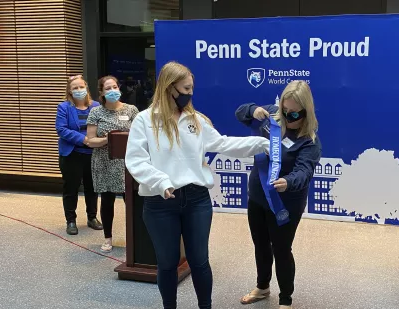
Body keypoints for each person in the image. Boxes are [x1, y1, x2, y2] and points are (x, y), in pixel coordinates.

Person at [125, 61, 270, 309]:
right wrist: (161, 181)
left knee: (200, 261)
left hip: (197, 200)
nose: (190, 94)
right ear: (169, 88)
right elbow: (136, 161)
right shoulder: (144, 120)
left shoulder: (196, 120)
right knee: (168, 263)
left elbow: (223, 144)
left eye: (192, 88)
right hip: (161, 202)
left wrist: (263, 144)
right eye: (186, 88)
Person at [235, 80, 322, 309]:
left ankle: (285, 299)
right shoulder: (272, 116)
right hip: (257, 196)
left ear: (306, 112)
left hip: (285, 203)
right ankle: (262, 287)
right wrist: (252, 109)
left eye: (294, 114)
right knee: (260, 244)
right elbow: (240, 113)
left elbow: (304, 171)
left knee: (282, 249)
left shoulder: (309, 141)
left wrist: (288, 182)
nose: (287, 117)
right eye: (285, 111)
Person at [86, 75, 138, 253]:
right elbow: (90, 140)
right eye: (108, 88)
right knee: (107, 201)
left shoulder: (131, 110)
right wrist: (109, 139)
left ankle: (135, 237)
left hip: (127, 163)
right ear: (101, 92)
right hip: (104, 161)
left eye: (115, 87)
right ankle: (107, 238)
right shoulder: (96, 112)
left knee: (131, 201)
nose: (113, 91)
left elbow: (141, 135)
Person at [55, 75, 103, 235]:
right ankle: (71, 221)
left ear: (86, 88)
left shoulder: (96, 106)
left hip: (92, 154)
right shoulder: (64, 107)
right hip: (72, 154)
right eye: (75, 88)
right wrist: (84, 139)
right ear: (69, 91)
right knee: (71, 188)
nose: (79, 90)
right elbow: (61, 129)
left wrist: (96, 140)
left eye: (81, 87)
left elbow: (101, 126)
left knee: (92, 188)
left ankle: (92, 217)